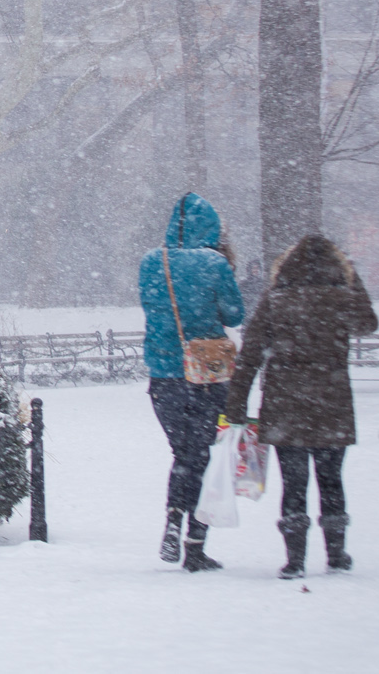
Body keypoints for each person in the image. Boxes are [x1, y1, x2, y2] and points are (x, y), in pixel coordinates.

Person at [225, 235, 379, 579]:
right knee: (331, 479)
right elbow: (368, 323)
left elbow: (250, 354)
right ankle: (336, 554)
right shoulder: (342, 298)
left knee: (294, 483)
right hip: (332, 403)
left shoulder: (277, 299)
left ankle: (295, 559)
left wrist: (236, 404)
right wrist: (353, 280)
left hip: (285, 404)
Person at [137, 193, 245, 573]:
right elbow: (235, 313)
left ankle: (173, 518)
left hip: (164, 376)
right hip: (206, 374)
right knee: (200, 456)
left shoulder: (152, 262)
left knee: (184, 455)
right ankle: (194, 544)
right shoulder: (214, 263)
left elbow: (150, 306)